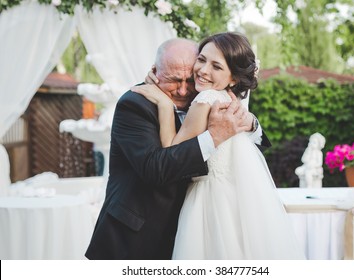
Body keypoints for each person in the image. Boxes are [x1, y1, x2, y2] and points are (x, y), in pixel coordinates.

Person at [85, 37, 267, 260]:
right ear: (155, 71)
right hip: (135, 239)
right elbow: (156, 168)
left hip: (195, 226)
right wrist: (213, 136)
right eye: (173, 80)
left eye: (188, 79)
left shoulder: (206, 97)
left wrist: (250, 123)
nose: (182, 90)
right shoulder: (135, 104)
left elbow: (247, 146)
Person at [132, 32, 305, 259]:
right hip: (237, 202)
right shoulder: (225, 98)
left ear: (233, 78)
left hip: (209, 199)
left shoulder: (204, 100)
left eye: (216, 66)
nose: (203, 70)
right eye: (201, 60)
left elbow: (172, 151)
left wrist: (164, 105)